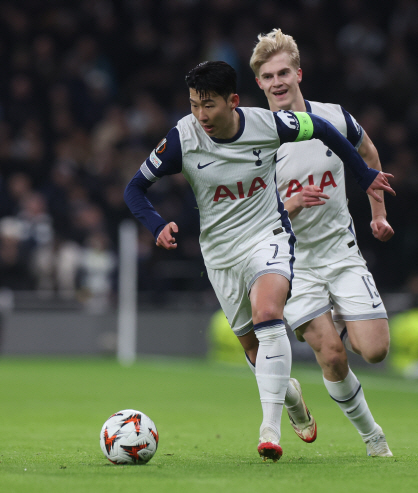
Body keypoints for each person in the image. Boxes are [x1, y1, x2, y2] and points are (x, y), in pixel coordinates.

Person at [124, 61, 395, 461]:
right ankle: (289, 396)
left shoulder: (266, 126)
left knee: (269, 313)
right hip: (220, 254)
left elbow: (321, 128)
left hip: (270, 238)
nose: (201, 115)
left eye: (209, 106)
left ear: (233, 102)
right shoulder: (183, 137)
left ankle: (269, 430)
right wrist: (156, 224)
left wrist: (362, 175)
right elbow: (135, 189)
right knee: (254, 349)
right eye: (195, 105)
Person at [249, 29, 393, 457]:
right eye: (268, 76)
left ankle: (344, 319)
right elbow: (250, 217)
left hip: (342, 253)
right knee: (331, 354)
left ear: (298, 73)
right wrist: (289, 204)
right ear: (259, 83)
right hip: (292, 265)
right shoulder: (256, 139)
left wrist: (378, 213)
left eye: (283, 72)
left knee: (376, 350)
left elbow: (368, 154)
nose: (277, 82)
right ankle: (373, 438)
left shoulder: (334, 117)